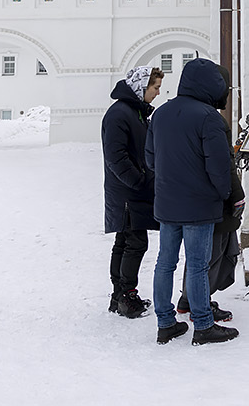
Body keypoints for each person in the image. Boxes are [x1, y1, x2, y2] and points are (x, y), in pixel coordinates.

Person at [145, 57, 239, 346]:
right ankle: (203, 325)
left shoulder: (160, 114)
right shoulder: (209, 117)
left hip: (167, 203)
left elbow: (151, 160)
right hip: (199, 205)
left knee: (165, 263)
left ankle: (165, 323)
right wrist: (224, 194)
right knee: (197, 265)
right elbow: (219, 167)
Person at [101, 66, 163, 319]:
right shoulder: (119, 114)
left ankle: (120, 295)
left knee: (124, 242)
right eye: (155, 87)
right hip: (127, 193)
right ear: (142, 86)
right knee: (134, 243)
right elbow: (116, 156)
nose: (158, 93)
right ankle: (127, 295)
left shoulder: (134, 112)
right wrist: (139, 181)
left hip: (130, 191)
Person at [178, 159, 245, 323]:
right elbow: (222, 163)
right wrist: (236, 195)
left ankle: (188, 299)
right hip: (213, 197)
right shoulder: (213, 132)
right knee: (212, 253)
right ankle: (201, 304)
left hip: (189, 192)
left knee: (197, 253)